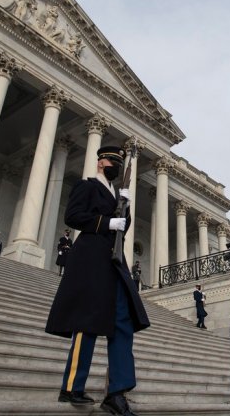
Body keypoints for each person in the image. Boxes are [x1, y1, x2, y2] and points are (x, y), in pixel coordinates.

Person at [45, 146, 150, 416]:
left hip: (114, 262)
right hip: (90, 258)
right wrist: (107, 222)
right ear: (101, 162)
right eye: (112, 161)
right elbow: (73, 216)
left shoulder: (117, 194)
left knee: (123, 322)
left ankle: (117, 392)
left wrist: (124, 209)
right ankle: (72, 386)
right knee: (87, 321)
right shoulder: (87, 185)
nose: (115, 165)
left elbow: (122, 229)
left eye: (118, 161)